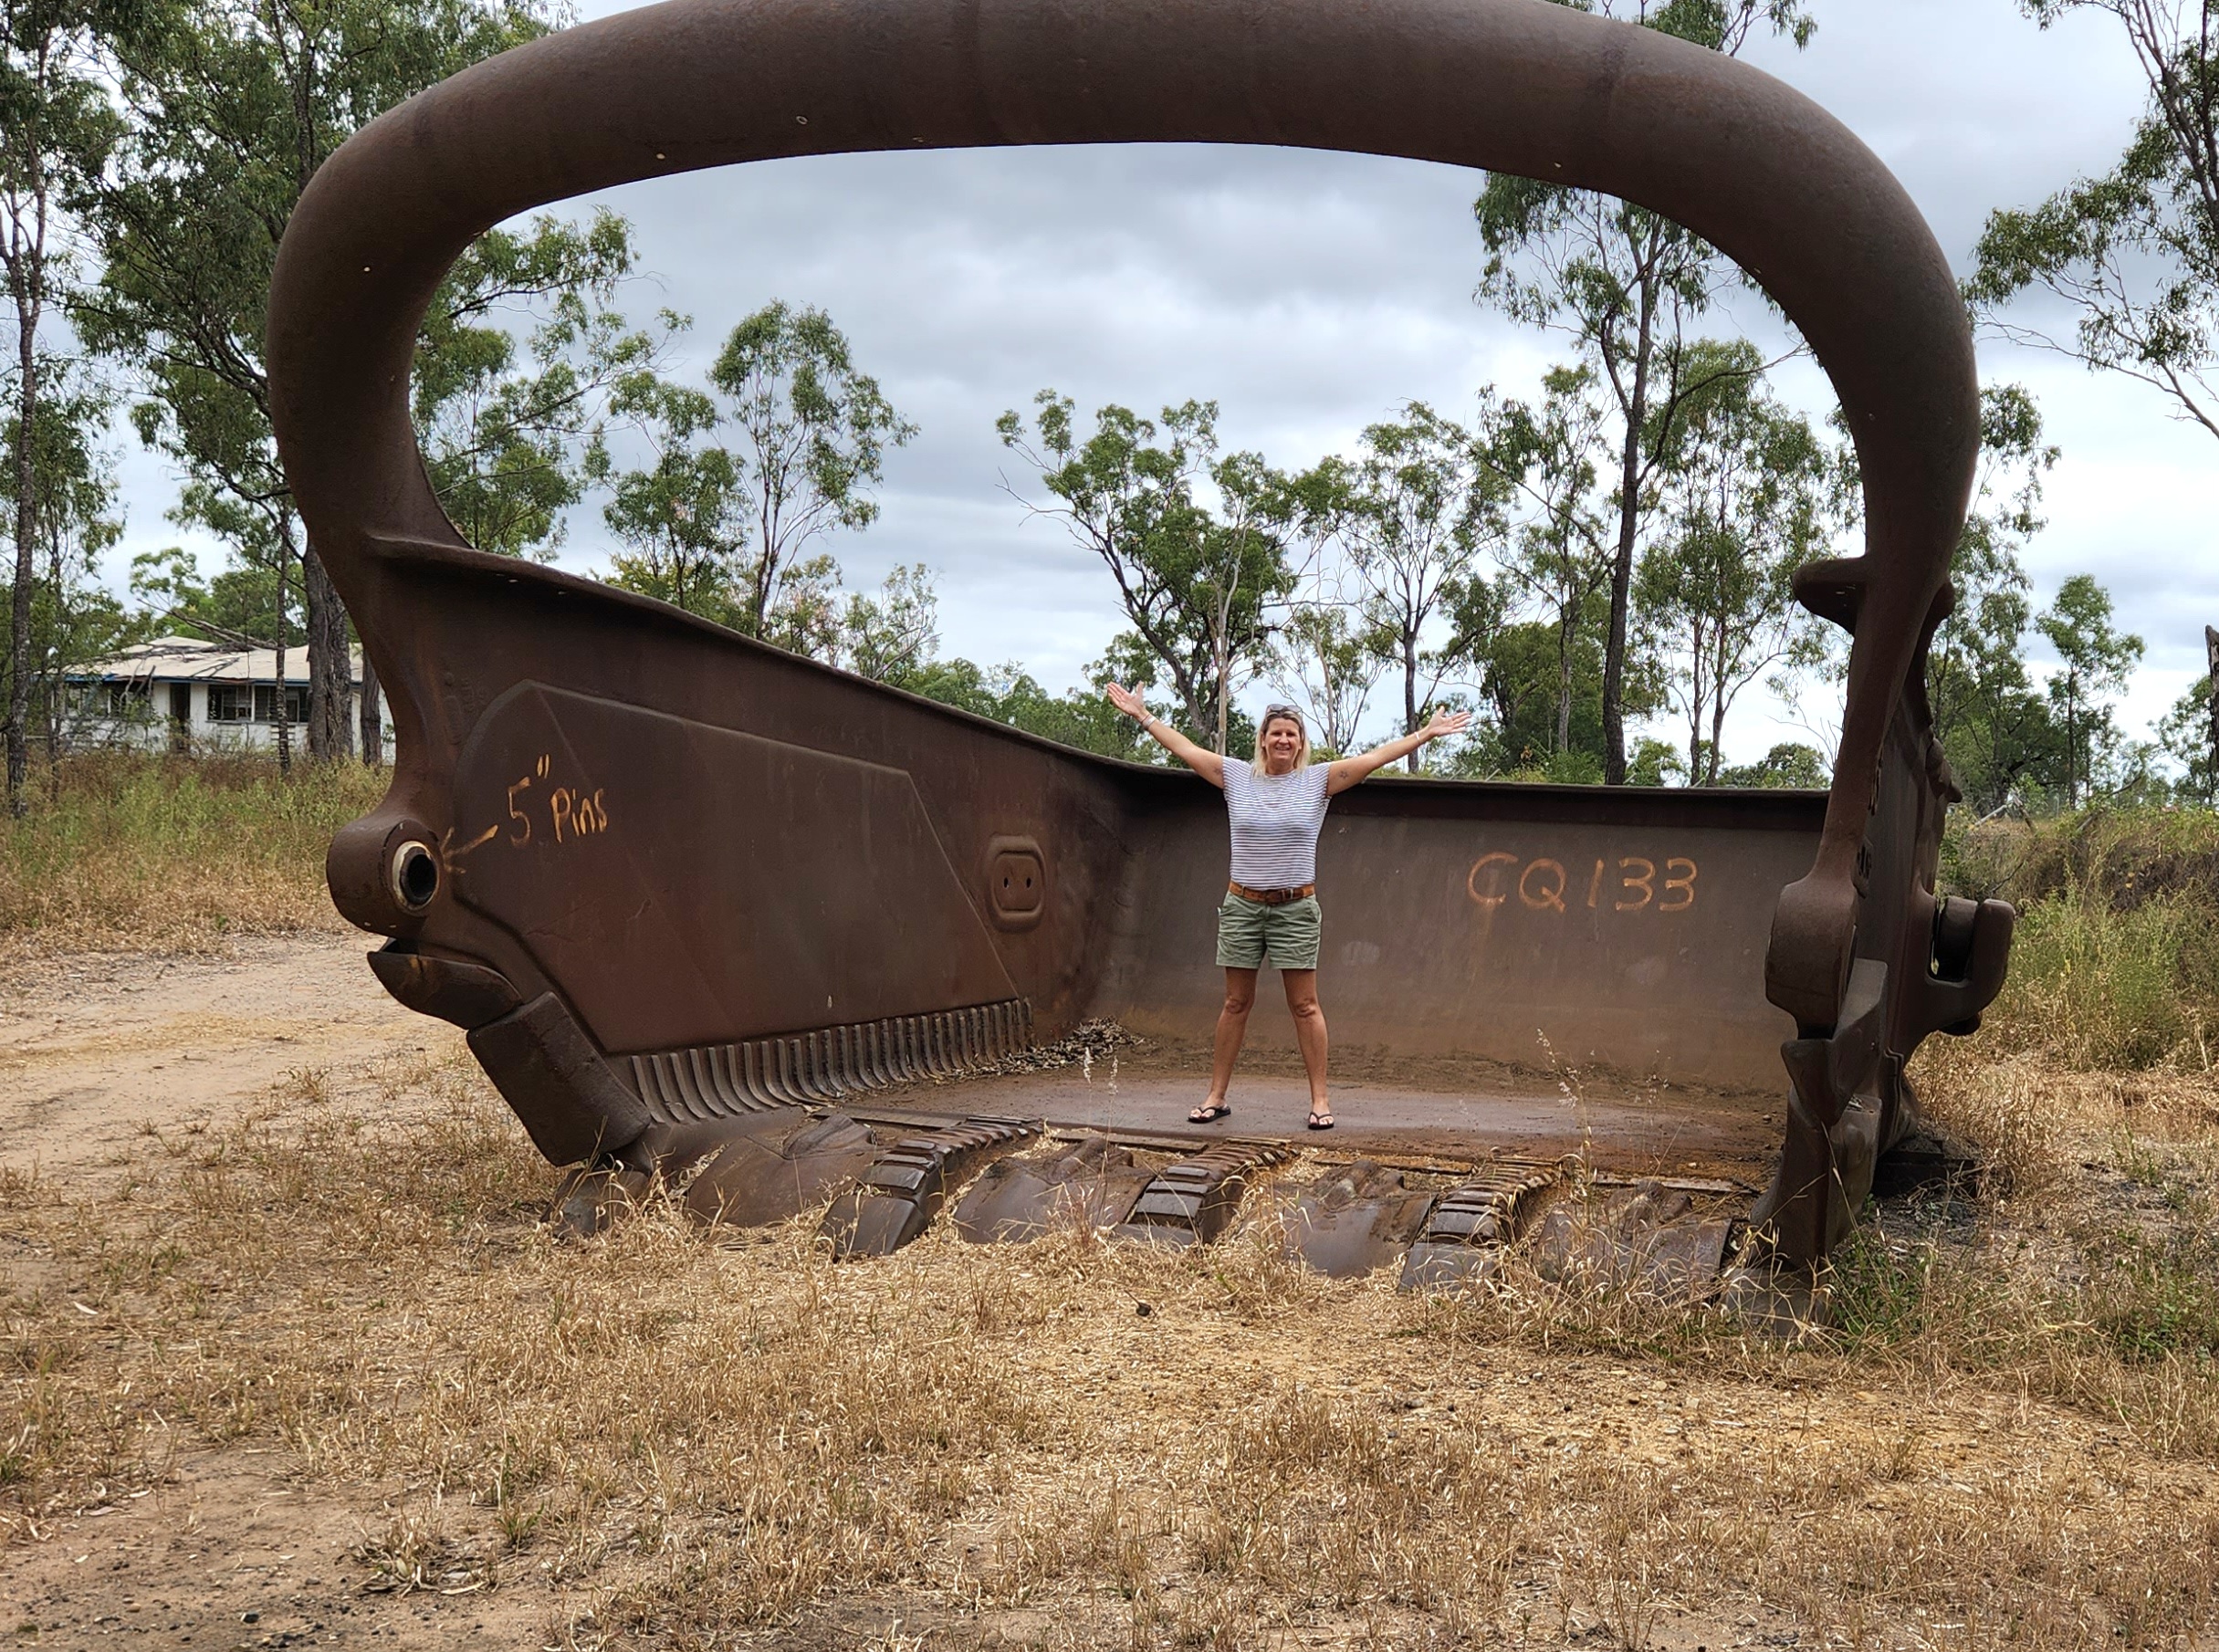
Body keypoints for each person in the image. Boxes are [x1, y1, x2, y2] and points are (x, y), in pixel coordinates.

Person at [1104, 688, 1471, 1131]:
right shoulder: (1237, 778)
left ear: (1300, 743)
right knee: (1236, 1002)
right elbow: (1185, 748)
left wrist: (1426, 735)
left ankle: (1320, 1101)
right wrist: (1143, 716)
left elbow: (1374, 757)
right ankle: (1216, 1096)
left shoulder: (1319, 781)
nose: (1283, 740)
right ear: (1262, 739)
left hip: (1295, 907)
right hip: (1242, 904)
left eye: (1291, 734)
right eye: (1275, 733)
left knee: (1306, 1006)